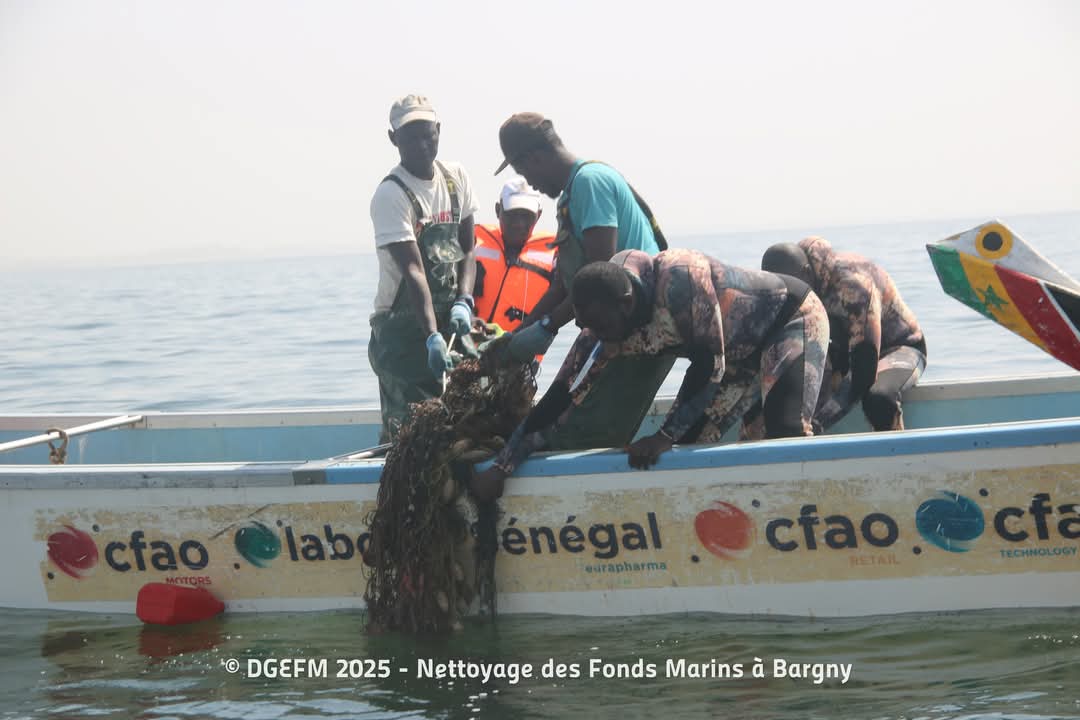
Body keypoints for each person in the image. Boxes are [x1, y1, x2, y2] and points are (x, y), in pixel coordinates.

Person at [470, 249, 830, 499]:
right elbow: (558, 396)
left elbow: (709, 366)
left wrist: (662, 435)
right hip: (733, 356)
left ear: (626, 304)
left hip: (788, 321)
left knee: (785, 432)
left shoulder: (681, 282)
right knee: (688, 450)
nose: (598, 336)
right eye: (587, 327)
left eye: (602, 326)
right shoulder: (600, 324)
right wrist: (503, 466)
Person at [492, 112, 673, 448]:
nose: (529, 183)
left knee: (591, 431)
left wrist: (548, 327)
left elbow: (598, 276)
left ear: (534, 158)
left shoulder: (590, 182)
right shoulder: (569, 198)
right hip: (609, 327)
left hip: (643, 326)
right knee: (559, 413)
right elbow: (564, 284)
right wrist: (520, 336)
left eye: (524, 172)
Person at [367, 95, 479, 442]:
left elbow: (468, 249)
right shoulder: (391, 195)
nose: (421, 144)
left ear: (439, 131)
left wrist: (464, 301)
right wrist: (432, 336)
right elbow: (414, 271)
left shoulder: (455, 177)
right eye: (410, 136)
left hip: (449, 322)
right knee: (410, 435)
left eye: (428, 134)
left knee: (461, 425)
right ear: (393, 138)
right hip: (402, 333)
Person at [759, 237, 927, 432]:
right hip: (844, 348)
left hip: (898, 347)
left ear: (806, 273)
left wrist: (821, 421)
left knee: (878, 397)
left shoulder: (853, 287)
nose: (788, 295)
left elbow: (864, 370)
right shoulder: (801, 278)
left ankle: (897, 458)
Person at [473, 177, 556, 332]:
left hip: (519, 353)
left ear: (538, 215)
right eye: (512, 214)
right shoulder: (473, 241)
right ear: (498, 210)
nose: (519, 224)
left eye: (526, 216)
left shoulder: (555, 254)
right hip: (466, 348)